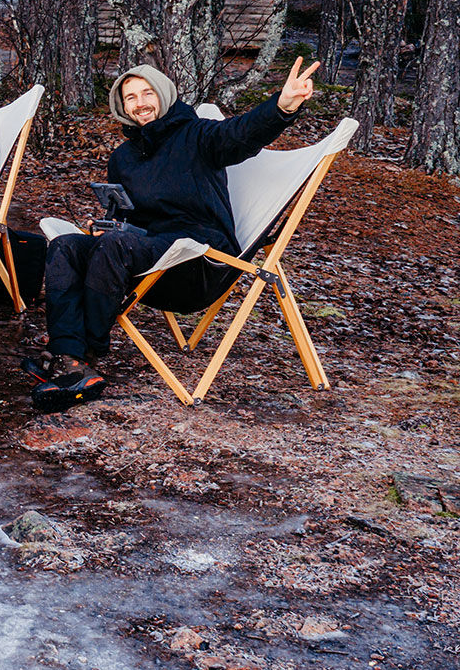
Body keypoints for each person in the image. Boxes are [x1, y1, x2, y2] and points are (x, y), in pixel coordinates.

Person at [29, 57, 320, 412]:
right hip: (147, 259)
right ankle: (69, 356)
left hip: (198, 263)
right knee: (66, 246)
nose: (141, 103)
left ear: (164, 95)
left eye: (147, 93)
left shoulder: (198, 135)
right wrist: (109, 222)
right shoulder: (124, 157)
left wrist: (282, 105)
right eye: (130, 97)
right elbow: (126, 218)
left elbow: (241, 134)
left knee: (113, 245)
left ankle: (81, 352)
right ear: (122, 107)